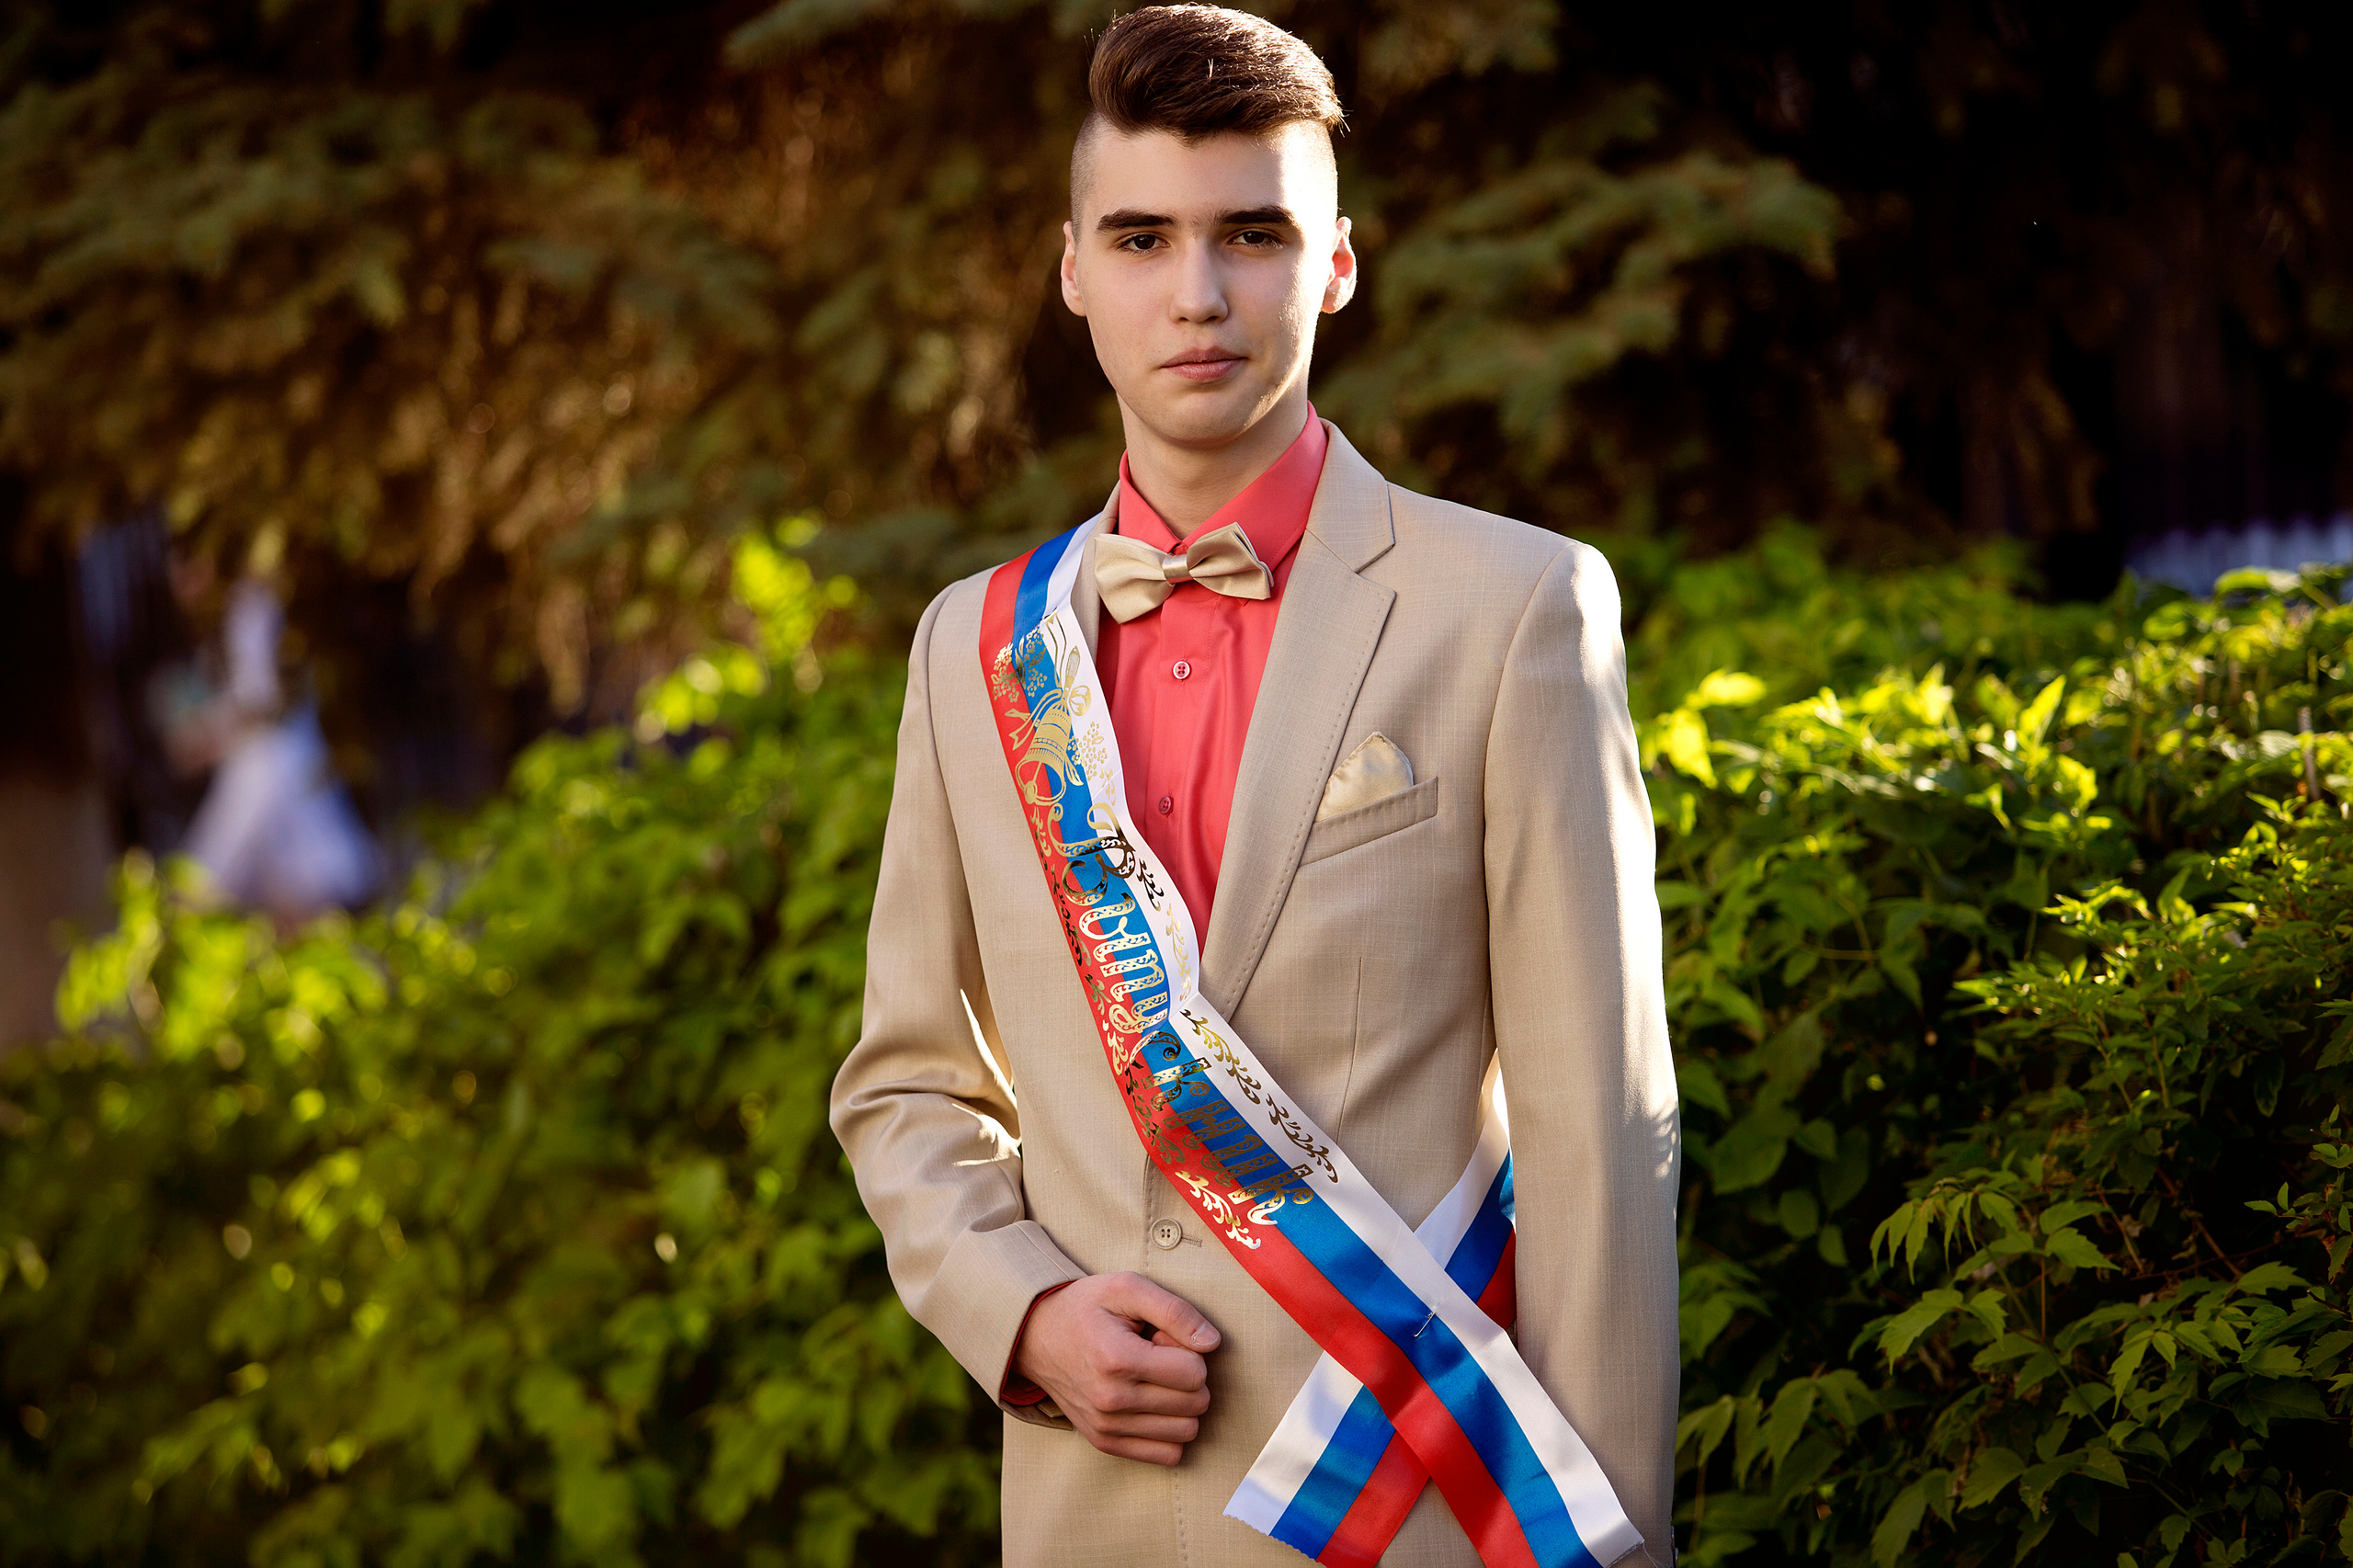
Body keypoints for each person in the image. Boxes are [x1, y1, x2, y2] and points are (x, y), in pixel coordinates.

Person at [830, 8, 1679, 1565]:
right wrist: (1023, 1311)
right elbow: (907, 1087)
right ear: (1073, 267)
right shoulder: (971, 649)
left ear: (1338, 262)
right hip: (1091, 1512)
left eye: (1254, 234)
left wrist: (1601, 1541)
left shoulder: (1515, 607)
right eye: (1143, 238)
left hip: (1422, 1513)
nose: (1199, 293)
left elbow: (1601, 1136)